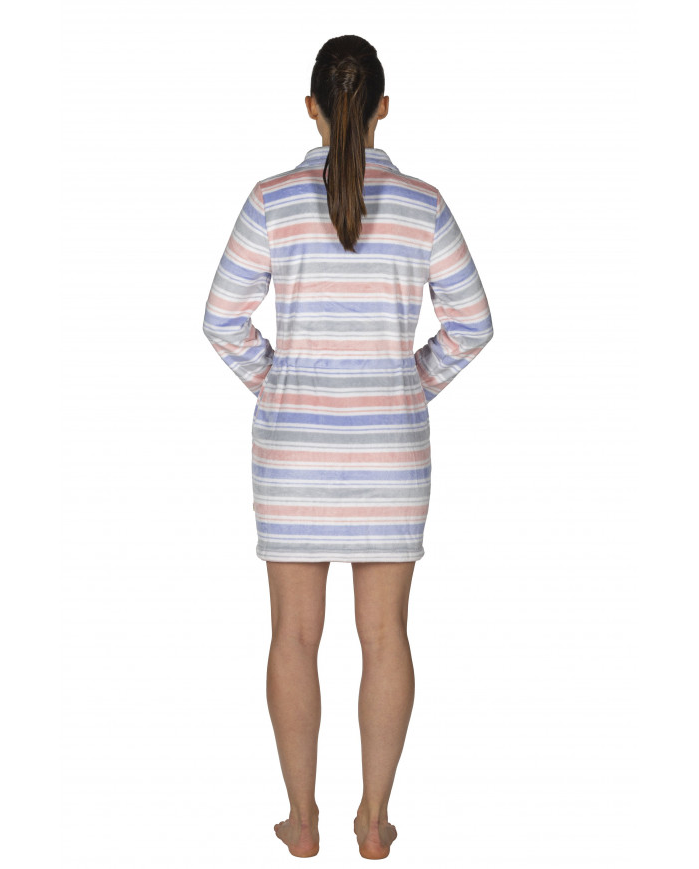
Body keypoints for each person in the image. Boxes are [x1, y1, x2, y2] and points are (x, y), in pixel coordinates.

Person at [202, 34, 494, 859]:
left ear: (312, 109)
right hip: (390, 453)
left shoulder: (271, 201)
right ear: (382, 110)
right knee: (386, 635)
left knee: (293, 635)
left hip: (292, 453)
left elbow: (222, 320)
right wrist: (408, 385)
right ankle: (374, 819)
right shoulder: (424, 205)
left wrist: (279, 384)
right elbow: (472, 325)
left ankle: (302, 821)